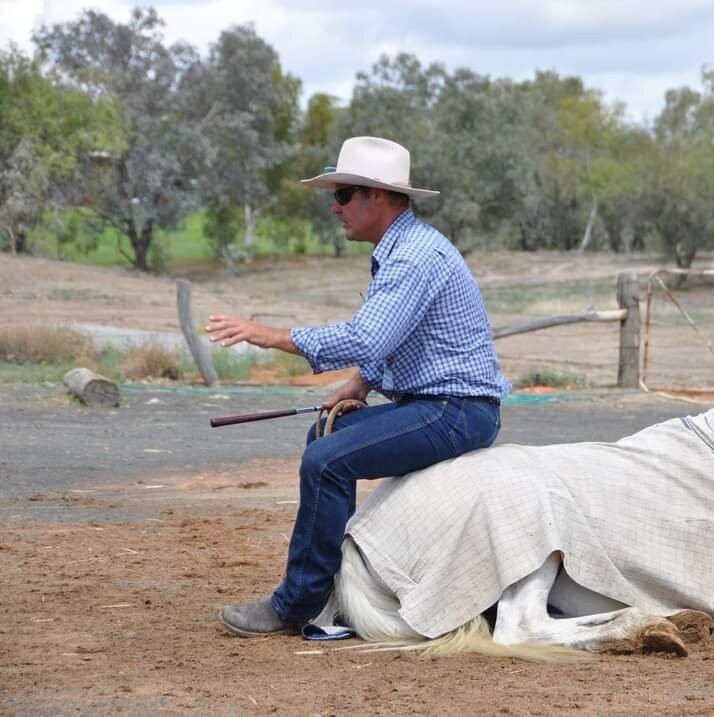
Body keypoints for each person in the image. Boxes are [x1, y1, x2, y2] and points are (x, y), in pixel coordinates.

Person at [209, 136, 511, 636]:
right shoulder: (405, 249)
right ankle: (335, 588)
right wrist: (360, 383)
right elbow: (397, 340)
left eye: (345, 194)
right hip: (442, 404)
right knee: (323, 439)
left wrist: (267, 335)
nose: (335, 207)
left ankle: (297, 605)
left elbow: (367, 336)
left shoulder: (413, 258)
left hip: (455, 411)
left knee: (323, 461)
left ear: (379, 197)